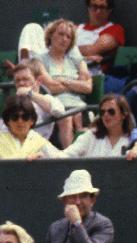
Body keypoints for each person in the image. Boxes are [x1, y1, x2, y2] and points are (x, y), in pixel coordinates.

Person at [36, 19, 92, 148]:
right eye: (61, 34)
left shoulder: (75, 60)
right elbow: (51, 88)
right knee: (67, 118)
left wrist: (63, 81)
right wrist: (77, 85)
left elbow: (88, 87)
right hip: (55, 109)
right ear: (50, 35)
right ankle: (69, 160)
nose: (64, 39)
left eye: (68, 37)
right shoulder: (40, 60)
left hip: (80, 108)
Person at [44, 170, 114, 243]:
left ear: (92, 200)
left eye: (83, 196)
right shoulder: (55, 228)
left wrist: (77, 224)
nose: (77, 202)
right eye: (72, 197)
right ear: (65, 201)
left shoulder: (104, 224)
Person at [0, 60, 65, 142]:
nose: (21, 83)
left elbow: (59, 111)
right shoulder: (12, 102)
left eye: (25, 79)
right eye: (17, 80)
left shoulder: (47, 99)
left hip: (34, 148)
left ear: (38, 81)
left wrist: (30, 94)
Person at [61, 93, 136, 156]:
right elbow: (66, 154)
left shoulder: (134, 139)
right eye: (102, 112)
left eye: (111, 111)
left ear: (123, 115)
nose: (106, 115)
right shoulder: (91, 136)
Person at [76, 0, 126, 91]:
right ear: (88, 7)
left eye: (102, 7)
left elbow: (92, 50)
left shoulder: (114, 29)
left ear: (109, 10)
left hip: (93, 76)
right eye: (94, 6)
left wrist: (65, 49)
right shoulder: (76, 28)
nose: (98, 11)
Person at [0, 95, 61, 160]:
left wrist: (42, 158)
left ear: (32, 120)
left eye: (25, 117)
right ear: (8, 120)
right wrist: (26, 158)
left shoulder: (39, 142)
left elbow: (61, 160)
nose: (20, 121)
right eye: (15, 117)